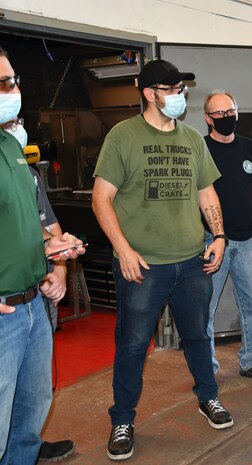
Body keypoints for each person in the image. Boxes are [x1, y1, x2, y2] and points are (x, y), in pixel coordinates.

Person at [92, 59, 233, 461]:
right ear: (149, 94)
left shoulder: (191, 138)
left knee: (198, 337)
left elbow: (206, 193)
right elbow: (101, 199)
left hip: (191, 262)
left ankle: (209, 397)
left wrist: (219, 235)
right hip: (144, 267)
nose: (179, 97)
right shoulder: (123, 137)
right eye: (171, 90)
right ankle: (122, 420)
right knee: (133, 345)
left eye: (181, 90)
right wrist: (123, 248)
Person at [0, 47, 84, 465]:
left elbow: (32, 223)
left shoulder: (13, 152)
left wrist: (56, 258)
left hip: (34, 306)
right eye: (4, 83)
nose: (14, 90)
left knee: (30, 407)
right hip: (4, 313)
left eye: (13, 81)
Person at [201, 91, 252, 382]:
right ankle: (206, 369)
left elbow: (251, 186)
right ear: (208, 118)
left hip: (245, 241)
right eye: (218, 114)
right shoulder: (200, 149)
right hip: (211, 241)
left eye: (230, 111)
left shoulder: (249, 148)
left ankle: (251, 361)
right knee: (205, 310)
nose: (225, 118)